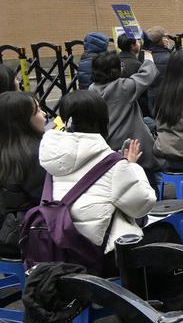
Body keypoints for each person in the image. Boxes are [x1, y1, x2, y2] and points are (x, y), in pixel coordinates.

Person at [39, 91, 157, 270]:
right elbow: (143, 205)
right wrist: (131, 166)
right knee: (165, 235)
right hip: (95, 256)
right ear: (102, 120)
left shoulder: (53, 156)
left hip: (56, 250)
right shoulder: (113, 165)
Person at [89, 51, 162, 176]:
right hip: (132, 146)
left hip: (107, 144)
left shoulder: (92, 89)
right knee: (146, 181)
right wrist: (148, 60)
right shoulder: (123, 87)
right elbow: (147, 75)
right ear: (114, 71)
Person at [0, 92, 47, 257]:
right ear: (23, 121)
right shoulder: (36, 154)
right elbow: (47, 199)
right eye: (38, 111)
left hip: (7, 236)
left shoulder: (8, 151)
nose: (44, 114)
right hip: (30, 238)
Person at [143, 27, 174, 113]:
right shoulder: (170, 57)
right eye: (166, 37)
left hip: (150, 96)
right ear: (163, 40)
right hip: (167, 97)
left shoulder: (144, 56)